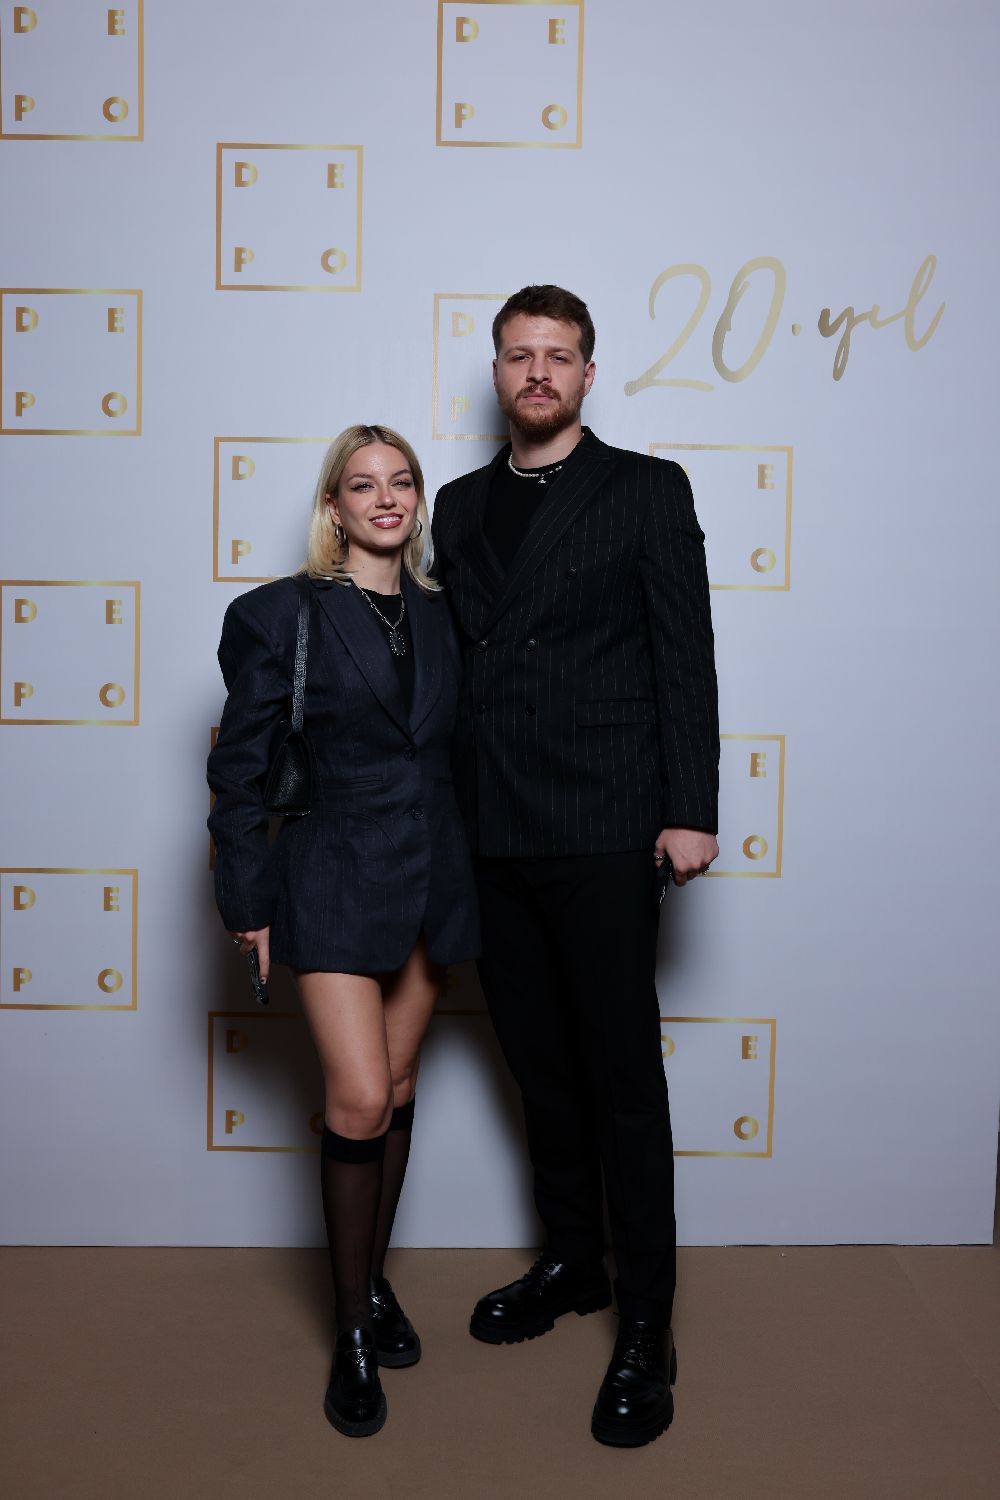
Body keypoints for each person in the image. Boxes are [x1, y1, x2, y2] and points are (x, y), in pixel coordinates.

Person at [431, 286, 719, 1448]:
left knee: (620, 1079)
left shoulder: (646, 488)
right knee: (537, 1067)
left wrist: (688, 811)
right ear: (497, 372)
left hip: (605, 822)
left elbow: (683, 655)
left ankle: (648, 1324)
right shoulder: (456, 503)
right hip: (490, 823)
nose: (537, 372)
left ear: (588, 374)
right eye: (519, 355)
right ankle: (571, 1260)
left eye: (558, 355)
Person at [207, 424, 479, 1438]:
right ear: (334, 506)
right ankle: (352, 1332)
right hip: (329, 875)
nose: (385, 498)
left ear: (418, 499)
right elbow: (237, 771)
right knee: (358, 1098)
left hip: (434, 876)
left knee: (397, 1089)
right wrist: (247, 903)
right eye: (362, 485)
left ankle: (368, 1283)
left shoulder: (449, 614)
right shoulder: (278, 613)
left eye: (401, 481)